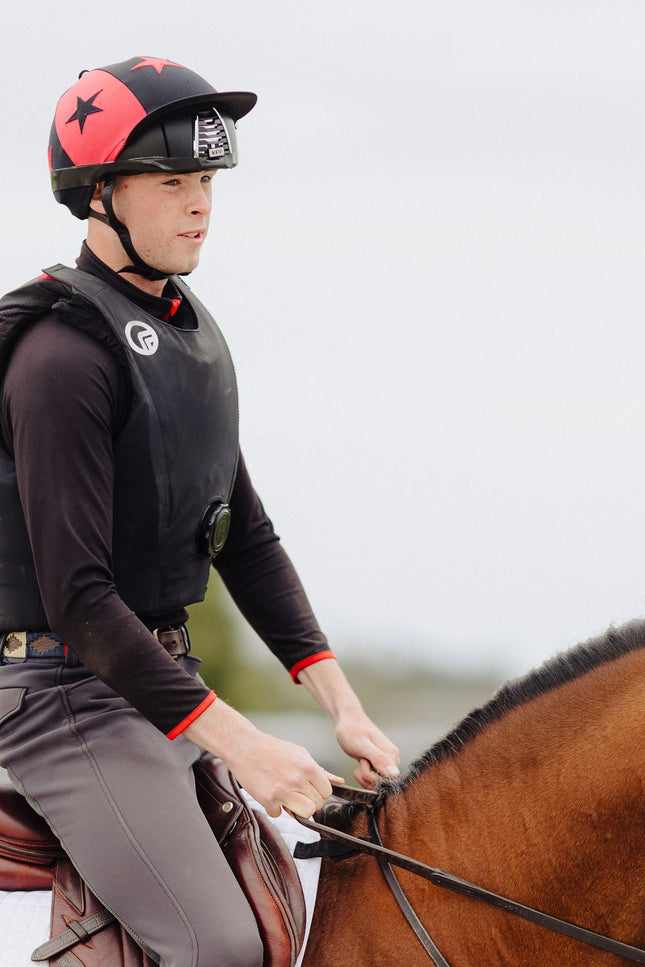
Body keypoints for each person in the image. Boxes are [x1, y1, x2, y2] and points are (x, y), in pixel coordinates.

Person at [0, 56, 400, 967]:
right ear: (100, 194)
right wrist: (246, 743)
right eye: (172, 183)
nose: (200, 206)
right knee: (218, 947)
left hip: (156, 684)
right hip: (65, 699)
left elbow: (243, 536)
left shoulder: (186, 333)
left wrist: (342, 706)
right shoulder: (61, 358)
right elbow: (81, 602)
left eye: (207, 182)